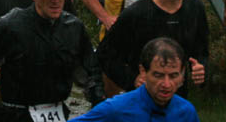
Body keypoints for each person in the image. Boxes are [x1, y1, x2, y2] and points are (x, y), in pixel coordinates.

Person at [96, 0, 209, 98]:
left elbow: (202, 51)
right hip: (141, 102)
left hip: (177, 101)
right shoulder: (136, 14)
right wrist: (132, 79)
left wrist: (201, 69)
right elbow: (105, 55)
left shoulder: (195, 9)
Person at [71, 38, 201, 121]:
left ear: (182, 74)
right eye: (158, 75)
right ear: (143, 71)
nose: (166, 84)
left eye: (173, 76)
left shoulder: (186, 112)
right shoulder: (116, 109)